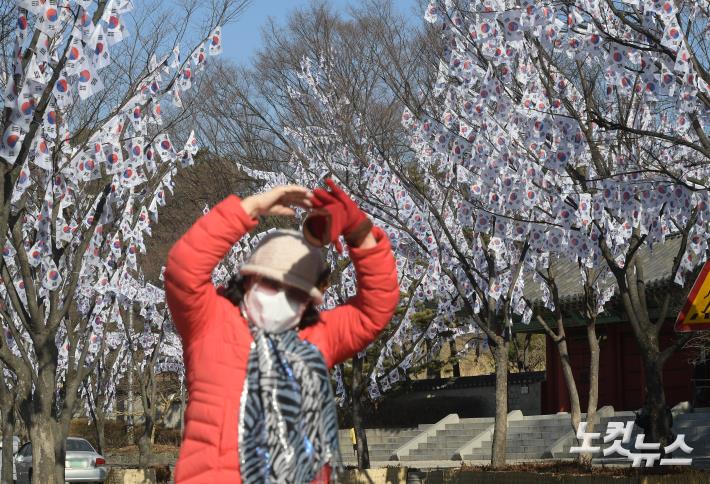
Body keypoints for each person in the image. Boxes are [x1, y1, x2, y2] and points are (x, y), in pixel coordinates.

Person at [165, 181, 399, 483]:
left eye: (297, 294)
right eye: (272, 284)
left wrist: (360, 233)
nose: (282, 298)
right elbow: (183, 270)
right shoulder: (210, 321)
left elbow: (376, 308)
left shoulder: (317, 336)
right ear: (248, 280)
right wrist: (250, 208)